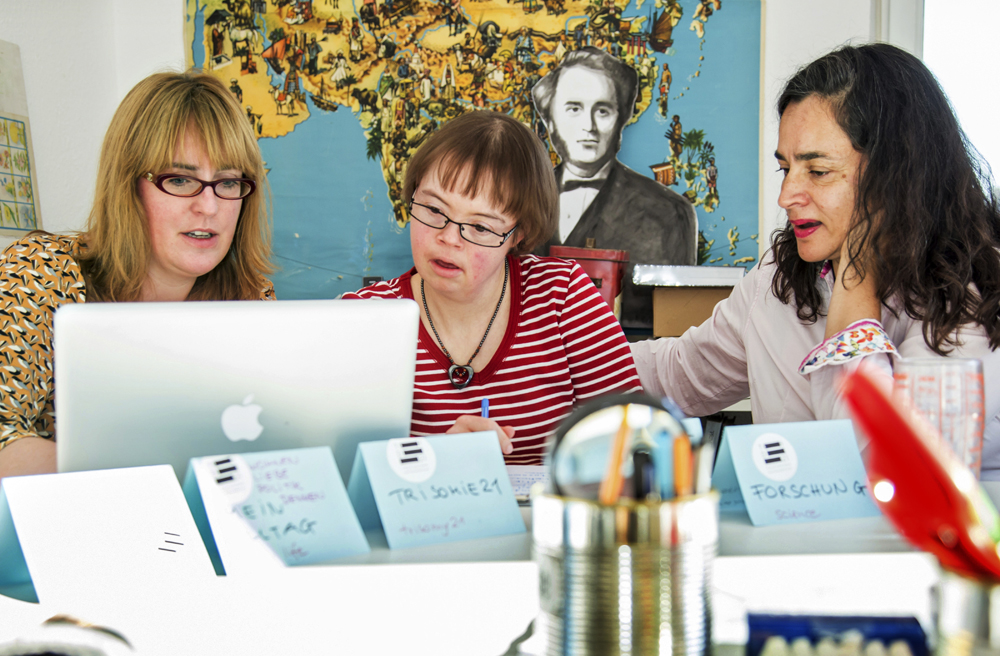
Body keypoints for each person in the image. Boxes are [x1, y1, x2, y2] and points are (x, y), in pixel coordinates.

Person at [631, 43, 1000, 477]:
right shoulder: (780, 276)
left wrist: (855, 280)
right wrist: (560, 348)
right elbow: (682, 373)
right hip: (799, 544)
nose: (787, 196)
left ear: (897, 173)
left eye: (818, 171)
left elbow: (876, 470)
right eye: (785, 168)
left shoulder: (972, 292)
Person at [0, 70, 275, 479]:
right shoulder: (39, 271)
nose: (209, 207)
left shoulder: (250, 295)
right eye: (180, 179)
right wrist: (155, 476)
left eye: (228, 181)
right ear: (128, 185)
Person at [344, 110, 642, 464]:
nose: (448, 238)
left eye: (481, 228)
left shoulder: (563, 296)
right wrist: (433, 461)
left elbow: (636, 443)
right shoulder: (363, 318)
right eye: (434, 209)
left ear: (519, 235)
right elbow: (341, 475)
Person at [531, 47, 697, 330]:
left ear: (621, 120)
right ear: (549, 120)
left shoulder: (670, 213)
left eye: (603, 111)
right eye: (574, 108)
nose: (589, 126)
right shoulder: (515, 204)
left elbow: (675, 328)